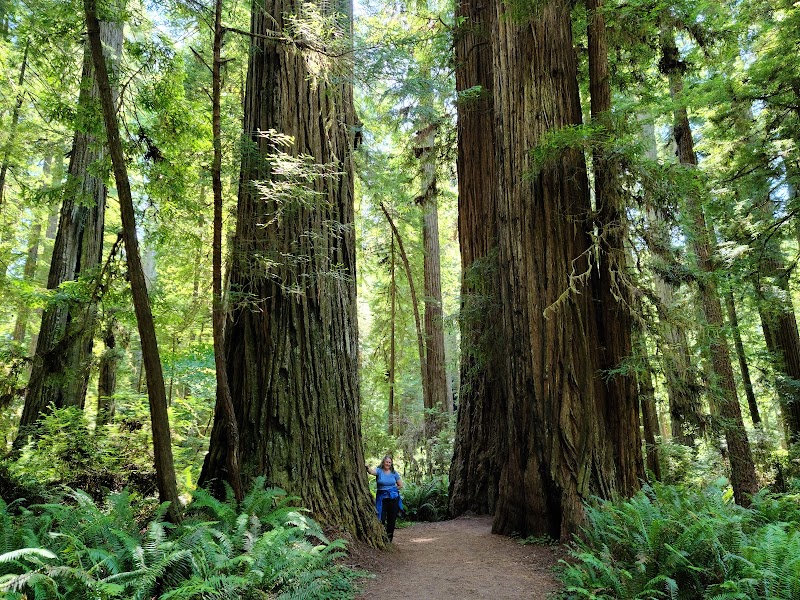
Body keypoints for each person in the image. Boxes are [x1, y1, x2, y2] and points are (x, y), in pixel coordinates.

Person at [366, 455, 403, 542]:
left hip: (393, 498)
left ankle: (389, 539)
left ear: (391, 463)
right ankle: (381, 537)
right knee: (381, 518)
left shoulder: (394, 473)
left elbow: (400, 485)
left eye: (390, 462)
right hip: (382, 499)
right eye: (387, 462)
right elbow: (371, 472)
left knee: (391, 519)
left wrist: (392, 489)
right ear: (383, 462)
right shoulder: (379, 471)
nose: (388, 464)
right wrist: (367, 467)